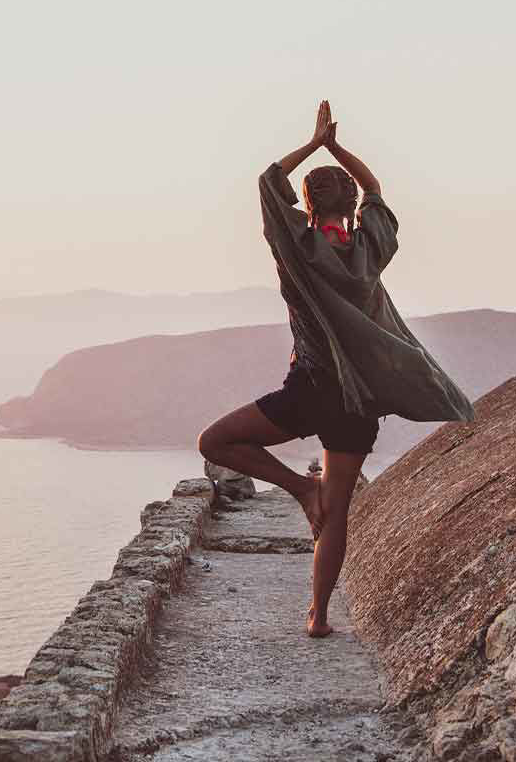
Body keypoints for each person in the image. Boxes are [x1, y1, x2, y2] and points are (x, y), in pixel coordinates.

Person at [197, 100, 474, 638]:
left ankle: (300, 490)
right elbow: (377, 191)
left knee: (215, 441)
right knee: (339, 510)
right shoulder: (371, 248)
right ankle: (318, 617)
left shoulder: (298, 250)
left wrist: (313, 142)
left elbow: (267, 180)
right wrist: (337, 148)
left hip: (312, 388)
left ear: (305, 204)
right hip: (360, 401)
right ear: (350, 206)